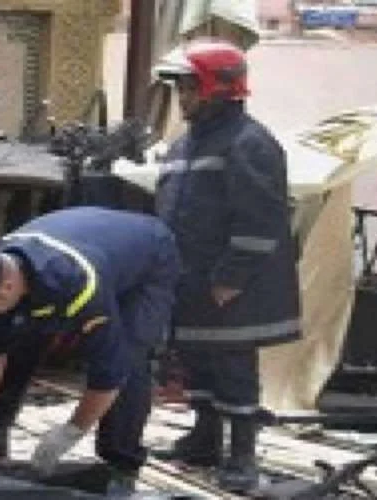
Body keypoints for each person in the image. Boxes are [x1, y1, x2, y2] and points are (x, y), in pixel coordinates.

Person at [152, 39, 301, 493]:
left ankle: (241, 455)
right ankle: (203, 439)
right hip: (193, 279)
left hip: (233, 286)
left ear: (217, 87)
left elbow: (261, 219)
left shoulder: (250, 143)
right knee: (198, 361)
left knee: (233, 367)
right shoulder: (185, 144)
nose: (183, 99)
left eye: (189, 89)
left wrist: (231, 277)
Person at [0, 206, 180, 493]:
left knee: (130, 357)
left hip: (147, 257)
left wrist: (71, 431)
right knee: (19, 339)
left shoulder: (78, 285)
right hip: (88, 240)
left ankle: (121, 464)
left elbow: (109, 371)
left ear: (7, 289)